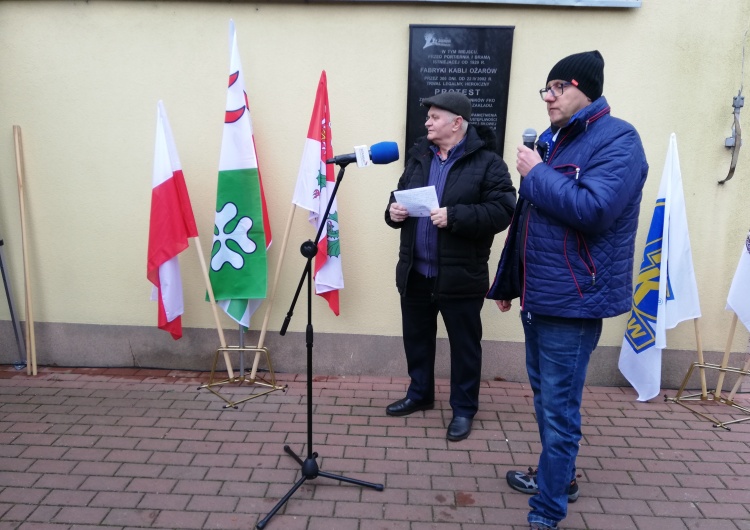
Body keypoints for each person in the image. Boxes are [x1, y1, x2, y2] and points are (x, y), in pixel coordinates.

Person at [487, 50, 648, 529]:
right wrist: (509, 281)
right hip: (541, 297)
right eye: (546, 89)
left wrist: (536, 173)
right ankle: (563, 479)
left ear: (586, 89)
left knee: (559, 412)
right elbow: (531, 221)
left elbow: (594, 210)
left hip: (575, 302)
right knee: (545, 400)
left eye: (558, 87)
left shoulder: (618, 140)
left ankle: (547, 512)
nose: (549, 97)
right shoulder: (557, 141)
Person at [384, 91, 516, 442]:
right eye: (428, 117)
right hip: (416, 272)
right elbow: (398, 198)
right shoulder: (418, 158)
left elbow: (504, 210)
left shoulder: (489, 163)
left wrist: (455, 216)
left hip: (461, 275)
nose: (427, 122)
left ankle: (463, 409)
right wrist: (393, 212)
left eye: (435, 117)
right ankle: (420, 394)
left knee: (465, 346)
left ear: (457, 123)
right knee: (417, 339)